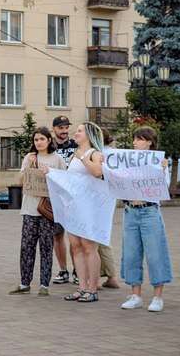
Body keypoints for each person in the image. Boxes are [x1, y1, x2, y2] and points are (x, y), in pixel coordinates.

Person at [119, 127, 173, 312]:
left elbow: (164, 187)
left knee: (155, 253)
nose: (135, 142)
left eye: (139, 139)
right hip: (130, 211)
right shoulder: (126, 161)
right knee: (131, 253)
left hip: (149, 211)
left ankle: (158, 297)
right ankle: (136, 295)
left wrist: (163, 170)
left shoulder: (159, 162)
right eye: (134, 139)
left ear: (150, 142)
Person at [9, 127, 66, 297]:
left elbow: (64, 181)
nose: (39, 142)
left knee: (46, 247)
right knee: (27, 246)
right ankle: (24, 283)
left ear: (49, 140)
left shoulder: (57, 159)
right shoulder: (29, 157)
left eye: (42, 139)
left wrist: (50, 172)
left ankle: (44, 285)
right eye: (36, 139)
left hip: (48, 210)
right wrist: (29, 165)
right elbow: (20, 180)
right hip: (29, 209)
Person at [63, 122, 105, 303]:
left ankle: (92, 289)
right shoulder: (74, 154)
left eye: (79, 131)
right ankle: (81, 287)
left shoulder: (95, 154)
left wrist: (82, 158)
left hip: (89, 207)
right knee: (76, 247)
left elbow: (97, 172)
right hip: (74, 206)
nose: (75, 133)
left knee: (89, 246)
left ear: (88, 134)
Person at [51, 116, 77, 285]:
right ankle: (63, 270)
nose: (64, 131)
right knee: (57, 236)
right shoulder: (49, 147)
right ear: (54, 129)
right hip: (56, 198)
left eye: (66, 127)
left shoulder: (76, 146)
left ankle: (78, 271)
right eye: (61, 128)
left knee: (75, 237)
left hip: (74, 198)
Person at [98, 128, 120, 289]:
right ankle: (111, 276)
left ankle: (97, 279)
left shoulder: (98, 153)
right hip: (110, 197)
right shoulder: (114, 154)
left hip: (97, 198)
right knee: (103, 237)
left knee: (95, 239)